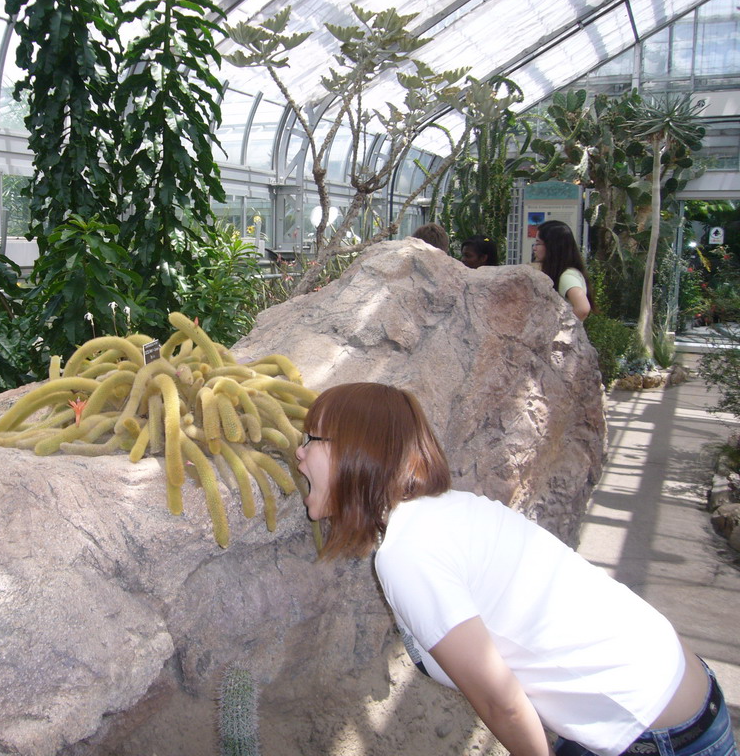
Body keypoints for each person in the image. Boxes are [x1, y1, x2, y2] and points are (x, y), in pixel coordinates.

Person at [296, 382, 737, 756]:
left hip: (656, 732)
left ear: (355, 450)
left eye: (310, 439)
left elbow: (502, 701)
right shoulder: (447, 511)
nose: (298, 454)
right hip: (674, 696)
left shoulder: (408, 552)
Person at [533, 220, 591, 321]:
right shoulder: (568, 272)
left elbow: (583, 308)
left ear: (552, 246)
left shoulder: (566, 276)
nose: (534, 248)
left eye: (538, 243)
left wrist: (560, 326)